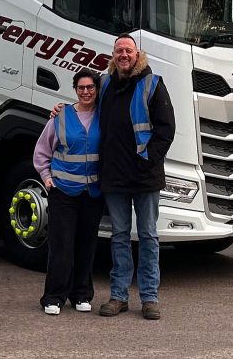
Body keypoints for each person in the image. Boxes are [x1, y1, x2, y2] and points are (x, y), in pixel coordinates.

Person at [52, 34, 175, 320]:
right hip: (114, 177)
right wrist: (61, 109)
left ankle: (149, 298)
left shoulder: (153, 84)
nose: (123, 55)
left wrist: (147, 160)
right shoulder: (105, 84)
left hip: (145, 177)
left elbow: (166, 130)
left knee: (148, 236)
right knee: (119, 236)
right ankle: (118, 295)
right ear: (113, 55)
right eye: (119, 50)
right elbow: (84, 104)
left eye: (128, 50)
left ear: (137, 55)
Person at [33, 69, 105, 315]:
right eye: (81, 88)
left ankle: (81, 294)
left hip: (92, 193)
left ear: (97, 89)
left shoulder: (104, 117)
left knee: (86, 245)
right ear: (75, 90)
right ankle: (53, 297)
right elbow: (42, 152)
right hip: (63, 191)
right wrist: (47, 178)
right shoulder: (60, 116)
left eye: (90, 87)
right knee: (62, 246)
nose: (86, 92)